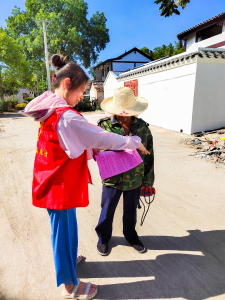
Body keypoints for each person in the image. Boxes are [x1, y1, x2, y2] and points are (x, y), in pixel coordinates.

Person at [22, 55, 150, 299]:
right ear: (67, 83)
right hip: (58, 185)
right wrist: (132, 142)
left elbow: (66, 143)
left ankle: (69, 260)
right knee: (63, 232)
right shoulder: (67, 116)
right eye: (81, 90)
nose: (82, 96)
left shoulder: (51, 106)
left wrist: (88, 148)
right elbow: (104, 137)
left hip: (52, 178)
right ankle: (70, 286)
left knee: (67, 229)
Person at [95, 87, 154, 256]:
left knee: (130, 211)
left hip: (135, 178)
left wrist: (148, 181)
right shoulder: (104, 126)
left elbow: (149, 154)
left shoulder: (142, 128)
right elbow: (97, 149)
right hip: (112, 177)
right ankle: (103, 238)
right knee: (107, 210)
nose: (124, 115)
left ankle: (131, 236)